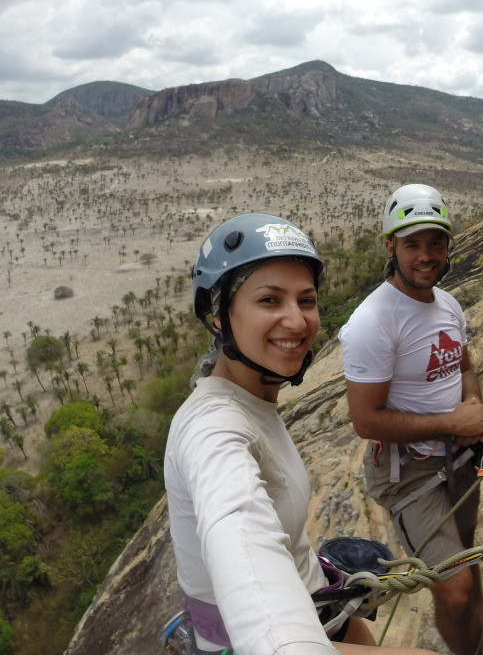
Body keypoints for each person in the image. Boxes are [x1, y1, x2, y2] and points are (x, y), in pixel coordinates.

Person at [165, 213, 437, 655]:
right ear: (218, 315)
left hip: (316, 598)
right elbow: (238, 531)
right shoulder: (212, 430)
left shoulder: (250, 399)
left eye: (306, 300)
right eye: (270, 300)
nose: (296, 321)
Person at [339, 185, 483, 655]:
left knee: (468, 553)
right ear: (391, 247)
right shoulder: (374, 321)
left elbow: (463, 366)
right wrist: (454, 422)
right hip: (411, 474)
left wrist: (477, 414)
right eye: (412, 245)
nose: (426, 256)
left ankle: (481, 623)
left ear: (448, 245)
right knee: (453, 588)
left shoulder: (446, 304)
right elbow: (366, 421)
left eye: (436, 243)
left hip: (461, 456)